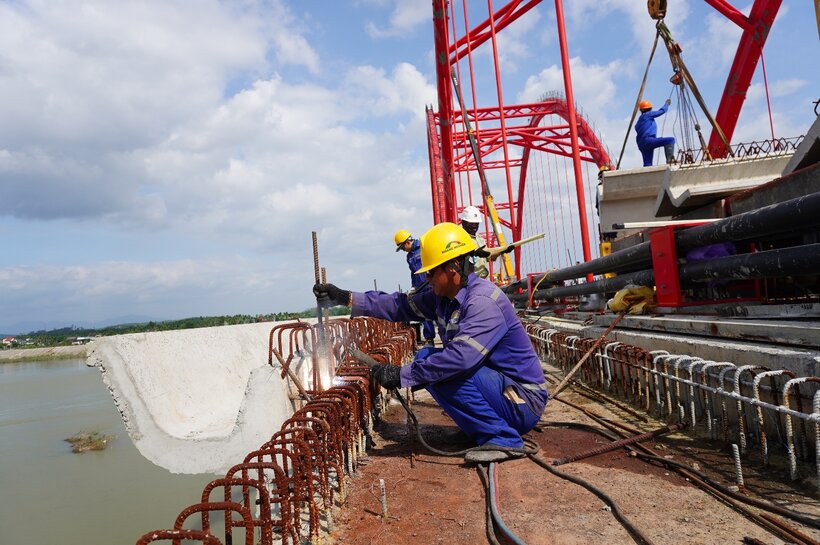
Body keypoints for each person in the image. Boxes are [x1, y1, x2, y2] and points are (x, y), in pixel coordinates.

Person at [315, 222, 548, 463]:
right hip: (499, 388)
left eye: (431, 272)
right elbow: (399, 305)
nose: (427, 279)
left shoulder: (483, 302)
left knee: (439, 370)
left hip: (521, 400)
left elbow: (460, 359)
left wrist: (401, 374)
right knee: (426, 359)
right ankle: (478, 429)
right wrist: (346, 298)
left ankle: (504, 439)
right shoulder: (444, 297)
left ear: (454, 267)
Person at [393, 229, 435, 345]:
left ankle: (447, 338)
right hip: (421, 288)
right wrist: (414, 287)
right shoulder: (409, 256)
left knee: (439, 312)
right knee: (424, 314)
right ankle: (429, 339)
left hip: (431, 285)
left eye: (402, 248)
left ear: (407, 242)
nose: (402, 250)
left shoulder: (423, 246)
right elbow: (413, 272)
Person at [635, 98, 676, 167]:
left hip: (641, 144)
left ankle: (647, 176)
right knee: (670, 140)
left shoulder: (640, 121)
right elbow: (661, 111)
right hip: (648, 140)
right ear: (650, 108)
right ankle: (670, 160)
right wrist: (666, 104)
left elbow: (636, 128)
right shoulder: (648, 115)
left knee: (647, 164)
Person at [459, 206, 489, 279]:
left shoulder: (480, 239)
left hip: (483, 280)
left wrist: (501, 250)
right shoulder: (459, 238)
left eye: (476, 224)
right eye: (471, 224)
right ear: (463, 222)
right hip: (469, 281)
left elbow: (488, 255)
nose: (474, 226)